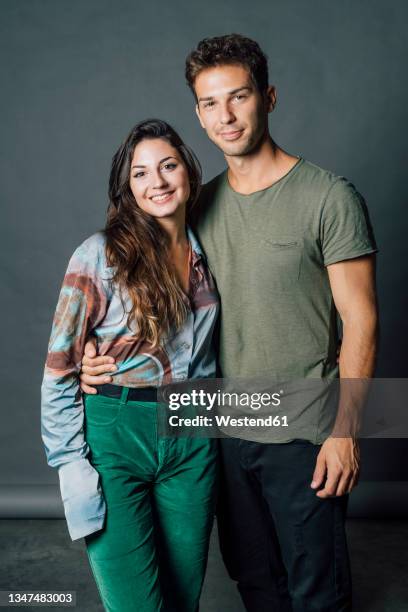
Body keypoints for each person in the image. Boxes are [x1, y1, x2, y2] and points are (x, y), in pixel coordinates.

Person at [80, 35, 379, 611]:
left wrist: (346, 432)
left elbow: (362, 322)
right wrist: (99, 358)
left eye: (238, 97)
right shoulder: (193, 209)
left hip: (304, 430)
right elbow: (147, 306)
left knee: (318, 591)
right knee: (256, 584)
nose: (226, 116)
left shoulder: (329, 197)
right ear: (198, 113)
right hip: (221, 428)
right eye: (210, 103)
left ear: (267, 97)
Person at [41, 119, 220, 612]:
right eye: (140, 173)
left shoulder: (211, 252)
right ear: (128, 186)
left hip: (194, 435)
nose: (157, 182)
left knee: (183, 600)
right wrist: (71, 464)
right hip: (117, 433)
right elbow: (59, 368)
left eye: (168, 166)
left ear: (189, 170)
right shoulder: (99, 255)